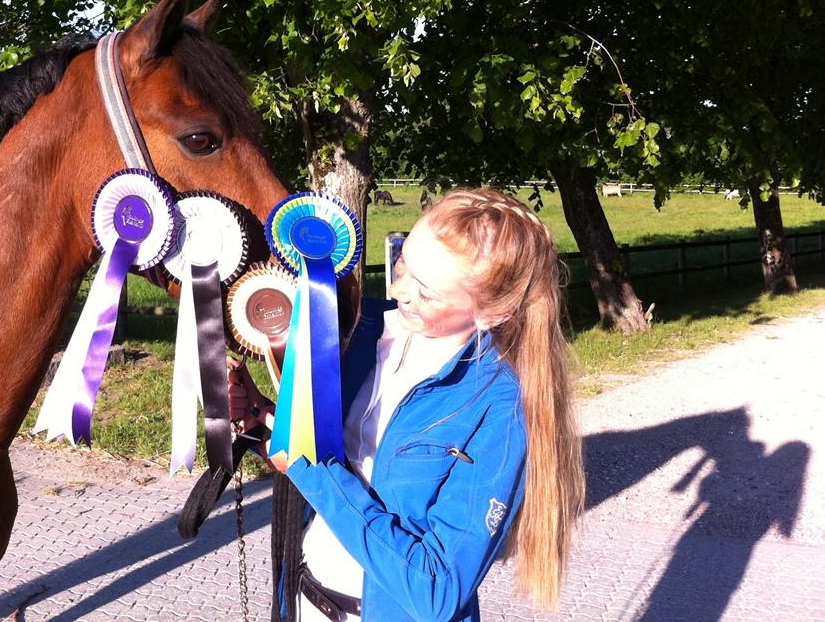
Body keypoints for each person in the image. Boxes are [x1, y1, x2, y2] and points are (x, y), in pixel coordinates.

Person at [229, 188, 584, 622]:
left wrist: (315, 472)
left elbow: (436, 594)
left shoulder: (500, 408)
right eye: (402, 264)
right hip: (302, 598)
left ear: (491, 313)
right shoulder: (362, 328)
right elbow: (324, 453)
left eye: (427, 292)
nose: (398, 290)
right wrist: (267, 420)